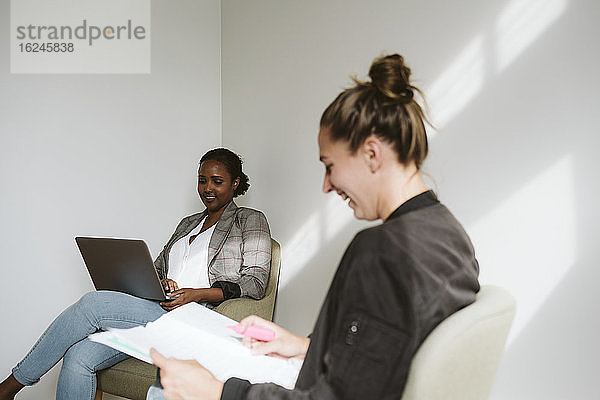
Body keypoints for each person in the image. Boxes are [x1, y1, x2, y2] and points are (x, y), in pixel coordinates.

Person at [148, 53, 481, 400]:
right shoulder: (447, 233)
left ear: (371, 154)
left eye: (330, 165)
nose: (327, 185)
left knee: (165, 389)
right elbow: (386, 354)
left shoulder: (383, 251)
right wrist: (303, 345)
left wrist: (220, 392)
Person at [0, 148, 272, 400]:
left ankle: (11, 386)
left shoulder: (248, 219)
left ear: (235, 183)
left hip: (194, 318)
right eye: (202, 180)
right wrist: (160, 282)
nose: (207, 188)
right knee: (78, 356)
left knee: (93, 304)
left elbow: (256, 281)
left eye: (217, 181)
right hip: (158, 310)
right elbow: (156, 268)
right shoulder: (188, 223)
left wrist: (196, 294)